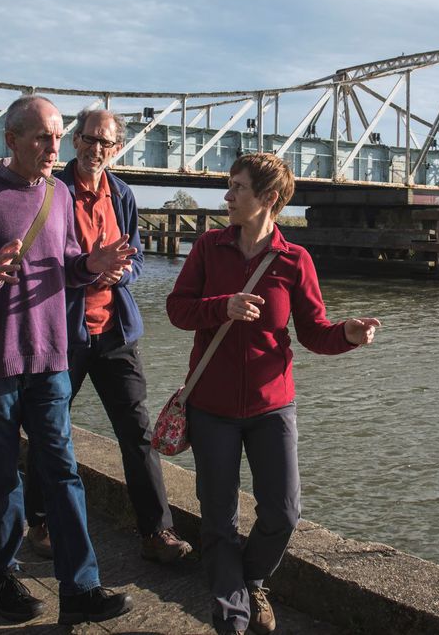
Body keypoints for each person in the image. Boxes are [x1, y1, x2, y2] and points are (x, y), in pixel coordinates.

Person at [0, 94, 137, 628]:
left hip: (51, 359)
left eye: (58, 137)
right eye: (42, 137)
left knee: (62, 473)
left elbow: (63, 266)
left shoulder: (59, 195)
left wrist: (93, 264)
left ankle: (80, 587)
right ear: (11, 139)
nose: (52, 147)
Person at [166, 153, 381, 635]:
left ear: (268, 199)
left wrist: (346, 334)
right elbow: (178, 310)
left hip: (271, 407)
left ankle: (252, 579)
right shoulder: (207, 248)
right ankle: (233, 617)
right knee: (218, 519)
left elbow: (313, 332)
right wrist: (223, 307)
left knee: (283, 513)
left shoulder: (294, 260)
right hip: (212, 408)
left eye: (237, 188)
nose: (227, 196)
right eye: (229, 186)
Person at [23, 108, 192, 563]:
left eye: (106, 143)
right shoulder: (49, 192)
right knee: (50, 431)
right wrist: (87, 267)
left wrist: (120, 273)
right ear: (75, 140)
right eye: (89, 139)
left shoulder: (121, 193)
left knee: (138, 432)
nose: (96, 149)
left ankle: (157, 533)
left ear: (117, 149)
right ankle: (38, 522)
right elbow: (35, 264)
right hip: (64, 333)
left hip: (115, 331)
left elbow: (134, 257)